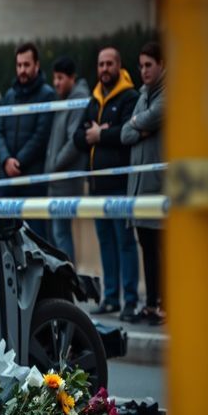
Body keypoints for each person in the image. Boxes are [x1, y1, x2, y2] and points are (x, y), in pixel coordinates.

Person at [73, 47, 140, 322]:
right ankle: (111, 297)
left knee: (125, 243)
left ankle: (130, 300)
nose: (104, 69)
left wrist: (100, 135)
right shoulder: (94, 99)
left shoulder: (129, 97)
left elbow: (126, 134)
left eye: (109, 64)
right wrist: (95, 135)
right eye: (101, 64)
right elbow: (78, 136)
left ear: (119, 65)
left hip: (120, 185)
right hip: (97, 186)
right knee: (106, 243)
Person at [121, 42, 166, 325]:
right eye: (141, 65)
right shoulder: (142, 95)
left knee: (162, 250)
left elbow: (147, 119)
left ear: (162, 65)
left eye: (149, 64)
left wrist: (136, 124)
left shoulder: (168, 95)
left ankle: (165, 305)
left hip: (158, 187)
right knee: (147, 248)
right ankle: (150, 304)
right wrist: (141, 126)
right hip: (139, 188)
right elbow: (125, 134)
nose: (144, 70)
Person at [0, 42, 55, 239]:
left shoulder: (47, 95)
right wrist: (6, 160)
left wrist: (18, 162)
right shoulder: (10, 95)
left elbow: (41, 136)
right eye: (19, 65)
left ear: (37, 65)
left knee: (36, 240)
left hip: (32, 182)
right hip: (7, 182)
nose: (22, 70)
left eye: (26, 65)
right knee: (6, 241)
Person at [44, 56, 89, 263]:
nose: (56, 83)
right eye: (55, 78)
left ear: (72, 78)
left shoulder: (77, 101)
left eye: (60, 78)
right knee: (57, 235)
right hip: (56, 181)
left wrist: (53, 166)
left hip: (65, 181)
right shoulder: (63, 100)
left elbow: (73, 141)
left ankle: (69, 283)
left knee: (61, 235)